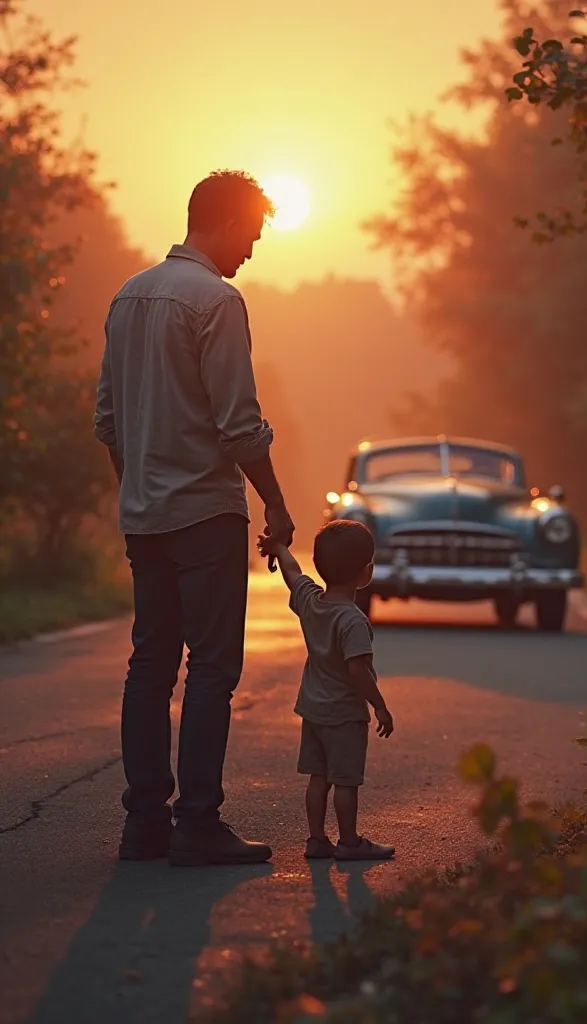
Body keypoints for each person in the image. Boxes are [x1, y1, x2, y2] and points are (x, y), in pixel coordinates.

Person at [94, 170, 294, 867]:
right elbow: (239, 425)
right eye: (251, 233)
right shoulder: (217, 300)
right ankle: (198, 824)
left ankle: (144, 824)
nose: (252, 249)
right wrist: (275, 499)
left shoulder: (127, 297)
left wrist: (139, 491)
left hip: (144, 515)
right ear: (226, 221)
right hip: (206, 513)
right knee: (211, 667)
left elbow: (108, 421)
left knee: (150, 664)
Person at [258, 520, 395, 860]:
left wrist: (278, 547)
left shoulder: (310, 602)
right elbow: (357, 670)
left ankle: (316, 839)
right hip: (344, 715)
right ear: (367, 572)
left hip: (312, 710)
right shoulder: (353, 621)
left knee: (318, 778)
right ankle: (349, 843)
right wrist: (379, 705)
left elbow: (292, 573)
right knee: (346, 782)